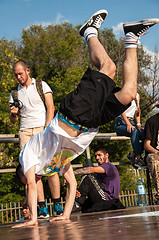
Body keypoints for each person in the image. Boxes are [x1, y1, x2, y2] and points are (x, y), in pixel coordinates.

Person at [12, 9, 159, 228]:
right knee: (129, 94)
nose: (32, 180)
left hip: (73, 114)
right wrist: (66, 215)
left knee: (108, 68)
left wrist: (32, 218)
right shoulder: (52, 164)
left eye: (27, 179)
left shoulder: (27, 157)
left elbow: (32, 187)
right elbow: (71, 185)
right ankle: (131, 37)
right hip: (91, 123)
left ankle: (89, 31)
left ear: (23, 171)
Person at [9, 60, 63, 217]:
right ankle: (42, 207)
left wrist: (47, 129)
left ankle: (57, 203)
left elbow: (51, 107)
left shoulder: (41, 85)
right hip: (25, 131)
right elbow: (13, 120)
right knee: (32, 172)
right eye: (16, 75)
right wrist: (13, 115)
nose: (18, 77)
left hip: (42, 128)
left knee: (51, 168)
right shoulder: (14, 93)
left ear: (27, 71)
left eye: (20, 73)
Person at [73, 146, 125, 213]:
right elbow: (93, 186)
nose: (97, 158)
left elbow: (90, 170)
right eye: (96, 156)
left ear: (107, 155)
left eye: (99, 155)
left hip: (108, 199)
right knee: (85, 205)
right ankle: (78, 200)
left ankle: (77, 203)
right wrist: (78, 191)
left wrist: (71, 173)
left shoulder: (108, 166)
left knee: (88, 177)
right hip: (101, 198)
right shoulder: (100, 171)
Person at [115, 93, 145, 168]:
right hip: (121, 123)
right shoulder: (123, 92)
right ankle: (138, 158)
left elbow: (137, 111)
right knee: (134, 131)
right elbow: (120, 111)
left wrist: (138, 124)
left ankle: (132, 155)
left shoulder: (137, 95)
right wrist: (128, 124)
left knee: (147, 134)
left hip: (132, 122)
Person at [144, 110, 159, 202]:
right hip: (155, 153)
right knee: (154, 160)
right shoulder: (152, 121)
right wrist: (157, 152)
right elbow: (146, 145)